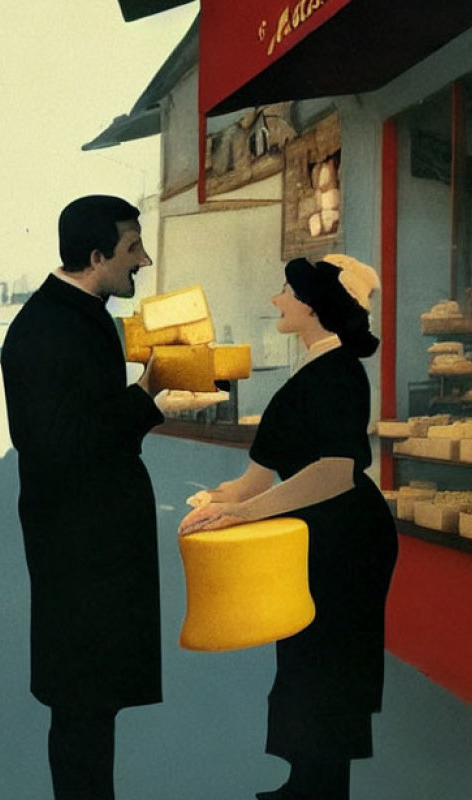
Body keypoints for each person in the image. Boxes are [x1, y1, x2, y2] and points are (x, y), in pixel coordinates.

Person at [178, 256, 399, 800]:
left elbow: (335, 472)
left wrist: (245, 513)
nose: (276, 301)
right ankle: (305, 782)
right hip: (311, 532)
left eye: (285, 291)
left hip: (347, 537)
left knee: (331, 660)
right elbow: (259, 477)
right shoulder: (313, 368)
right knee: (302, 654)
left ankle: (323, 789)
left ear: (313, 305)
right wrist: (217, 501)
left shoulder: (341, 372)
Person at [0, 195, 164, 800]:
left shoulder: (80, 311)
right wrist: (148, 394)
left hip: (93, 547)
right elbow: (58, 443)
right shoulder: (48, 326)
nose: (144, 260)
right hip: (78, 552)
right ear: (96, 256)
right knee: (81, 704)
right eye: (132, 248)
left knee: (93, 703)